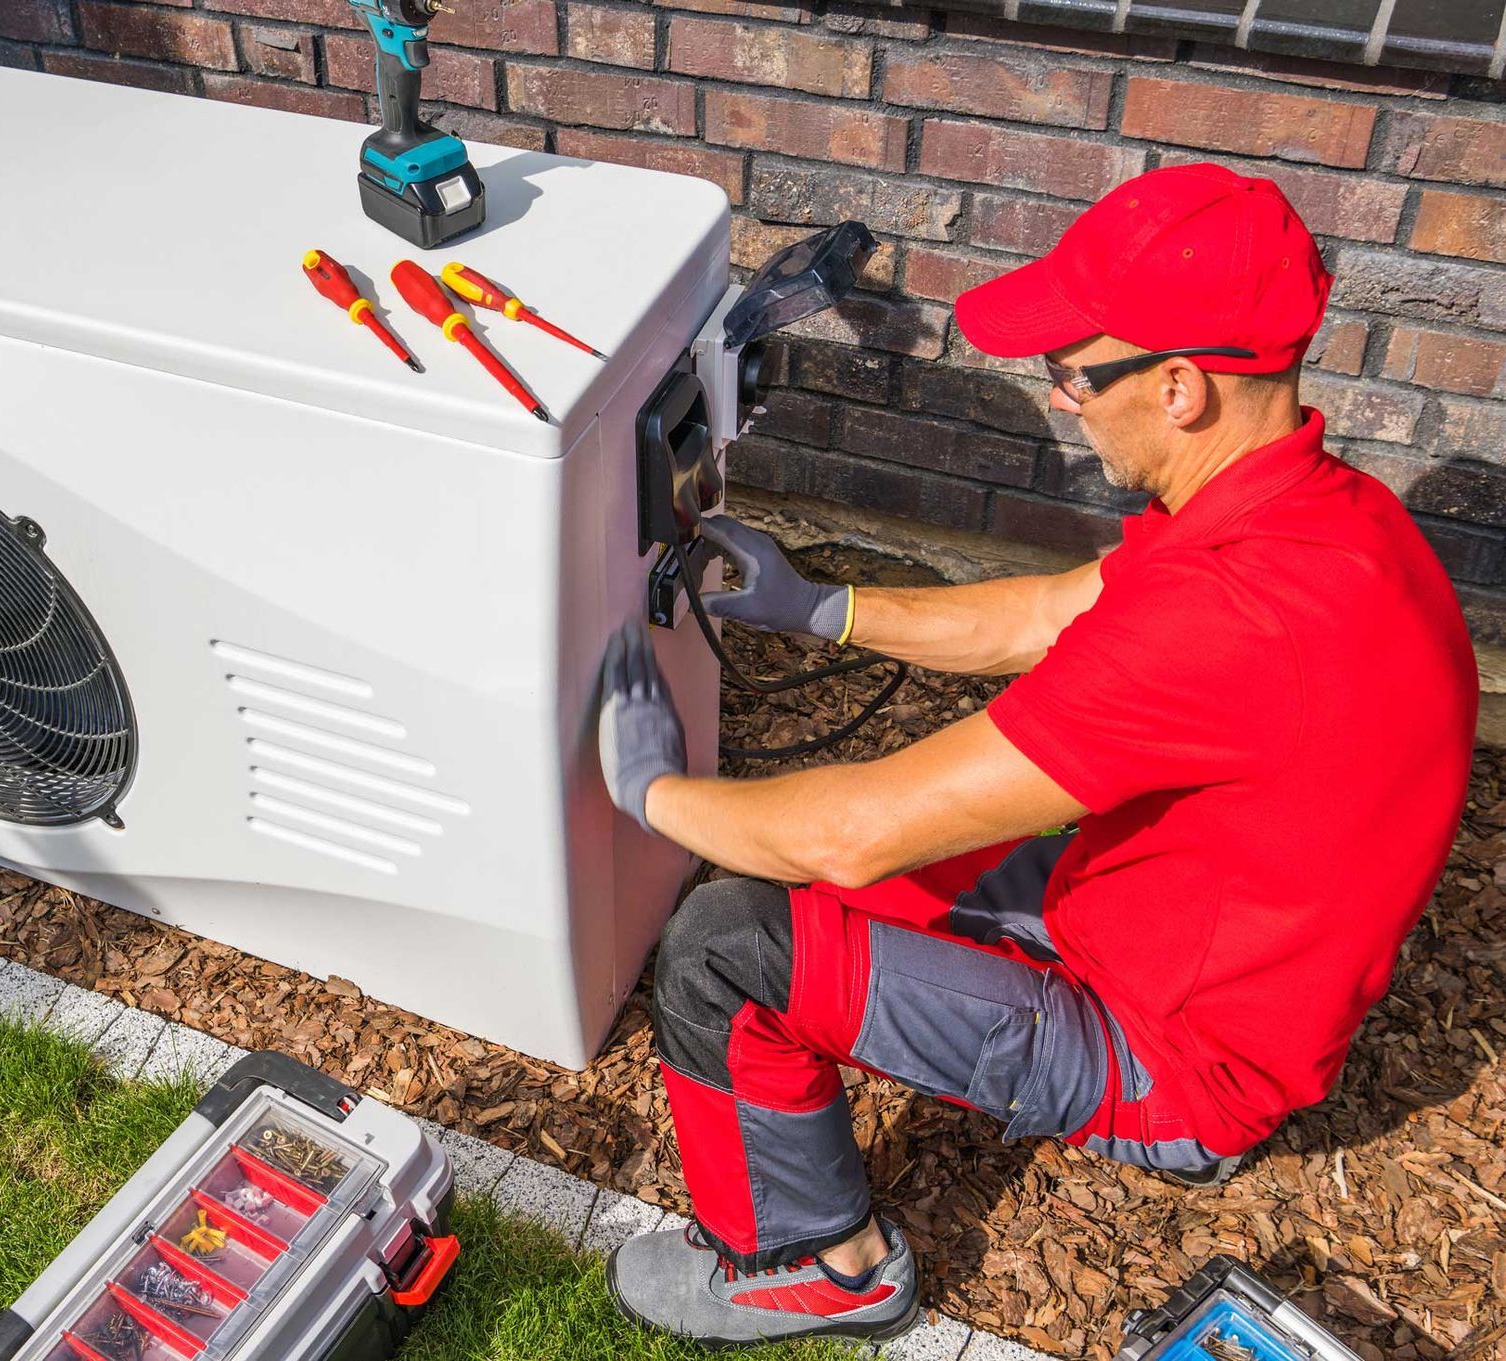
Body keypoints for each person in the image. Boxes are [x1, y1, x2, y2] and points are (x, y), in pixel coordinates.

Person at [593, 162, 1479, 1348]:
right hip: (1195, 944)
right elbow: (1048, 613)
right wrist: (824, 609)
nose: (1060, 400)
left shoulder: (1230, 620)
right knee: (804, 876)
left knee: (722, 945)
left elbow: (847, 832)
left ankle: (816, 1264)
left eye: (1072, 371)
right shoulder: (1317, 516)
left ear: (1179, 388)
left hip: (1174, 1054)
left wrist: (648, 789)